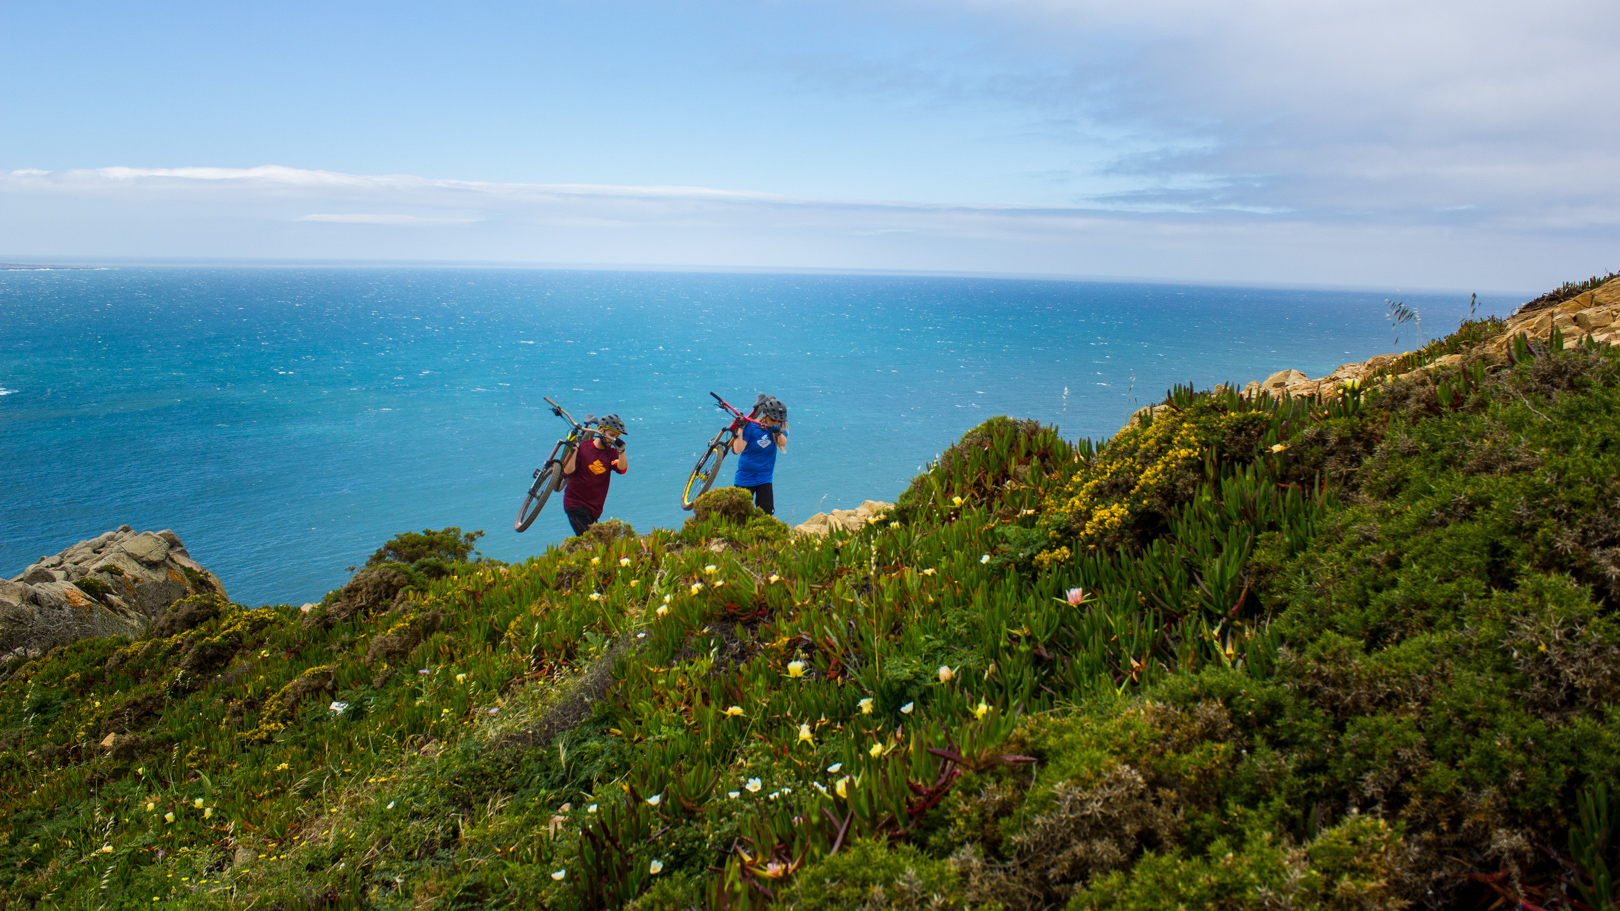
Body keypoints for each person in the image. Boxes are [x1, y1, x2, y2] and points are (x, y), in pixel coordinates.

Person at [562, 414, 628, 535]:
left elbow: (622, 469)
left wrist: (621, 451)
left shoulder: (611, 453)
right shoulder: (583, 448)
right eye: (611, 435)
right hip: (576, 503)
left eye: (616, 437)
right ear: (601, 431)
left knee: (594, 544)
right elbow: (567, 472)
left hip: (594, 509)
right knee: (592, 542)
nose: (613, 440)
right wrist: (574, 451)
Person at [732, 395, 786, 515]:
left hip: (764, 478)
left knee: (766, 515)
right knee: (740, 516)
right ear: (766, 416)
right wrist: (740, 429)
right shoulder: (752, 427)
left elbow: (783, 442)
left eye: (779, 420)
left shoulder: (779, 429)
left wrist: (777, 432)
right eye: (773, 420)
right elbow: (737, 449)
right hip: (744, 479)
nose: (776, 422)